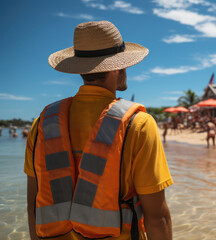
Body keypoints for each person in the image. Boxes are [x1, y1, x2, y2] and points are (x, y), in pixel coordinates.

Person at [24, 21, 173, 240]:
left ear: (80, 68)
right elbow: (157, 217)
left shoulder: (42, 124)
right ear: (117, 66)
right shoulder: (139, 124)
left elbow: (33, 208)